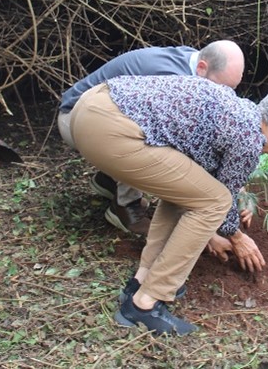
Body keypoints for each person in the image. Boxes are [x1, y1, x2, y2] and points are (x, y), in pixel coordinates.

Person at [69, 75, 268, 335]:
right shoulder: (248, 137)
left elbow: (203, 181)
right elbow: (224, 197)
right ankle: (144, 304)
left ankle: (140, 282)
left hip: (90, 105)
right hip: (110, 129)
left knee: (192, 191)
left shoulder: (236, 110)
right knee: (215, 202)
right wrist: (236, 237)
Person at [57, 40, 245, 234]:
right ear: (202, 67)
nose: (226, 97)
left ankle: (108, 180)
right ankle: (125, 206)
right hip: (76, 118)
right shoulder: (172, 79)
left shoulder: (195, 63)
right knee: (152, 143)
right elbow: (183, 149)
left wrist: (234, 185)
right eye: (222, 88)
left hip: (98, 119)